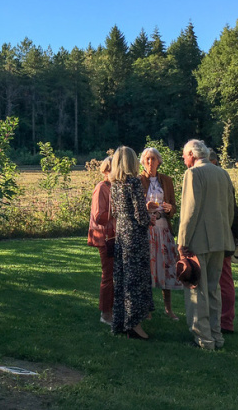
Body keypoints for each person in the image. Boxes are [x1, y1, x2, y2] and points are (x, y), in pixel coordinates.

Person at [177, 139, 235, 350]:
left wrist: (182, 241)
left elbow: (189, 212)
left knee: (197, 290)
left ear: (192, 155)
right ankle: (217, 336)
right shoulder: (222, 173)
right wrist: (223, 232)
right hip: (220, 239)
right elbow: (230, 208)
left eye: (184, 155)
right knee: (213, 289)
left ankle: (203, 339)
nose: (183, 159)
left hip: (199, 241)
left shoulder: (193, 174)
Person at [109, 146, 155, 340]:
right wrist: (149, 218)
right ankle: (134, 324)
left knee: (122, 278)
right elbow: (139, 212)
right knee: (136, 279)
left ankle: (121, 321)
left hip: (121, 233)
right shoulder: (133, 183)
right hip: (135, 235)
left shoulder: (114, 184)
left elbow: (116, 211)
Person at [138, 147, 182, 321]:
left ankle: (168, 309)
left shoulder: (166, 180)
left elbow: (173, 205)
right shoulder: (139, 180)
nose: (150, 162)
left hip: (163, 229)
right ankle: (147, 309)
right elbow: (134, 206)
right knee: (147, 270)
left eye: (153, 159)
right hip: (147, 229)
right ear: (143, 162)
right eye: (147, 159)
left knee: (167, 268)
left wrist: (170, 208)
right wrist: (145, 206)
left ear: (159, 161)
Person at [208, 149, 238, 334]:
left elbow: (234, 211)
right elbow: (235, 212)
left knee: (222, 280)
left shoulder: (215, 179)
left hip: (219, 237)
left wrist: (236, 236)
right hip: (227, 235)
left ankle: (224, 320)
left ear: (212, 162)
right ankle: (226, 320)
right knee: (225, 280)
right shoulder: (225, 178)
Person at [87, 156, 115, 325]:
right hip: (105, 237)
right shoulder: (101, 187)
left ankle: (114, 309)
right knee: (108, 276)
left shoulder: (116, 187)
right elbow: (99, 216)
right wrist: (117, 212)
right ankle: (105, 314)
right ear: (106, 170)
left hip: (115, 235)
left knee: (115, 275)